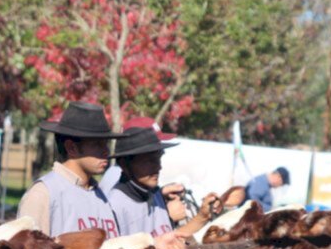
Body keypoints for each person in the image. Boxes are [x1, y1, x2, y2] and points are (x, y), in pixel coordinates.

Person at [17, 102, 127, 238]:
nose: (106, 151)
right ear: (71, 148)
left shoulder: (99, 196)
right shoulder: (44, 193)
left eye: (106, 143)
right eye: (97, 144)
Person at [106, 123, 220, 238]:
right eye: (149, 161)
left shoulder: (154, 194)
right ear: (124, 164)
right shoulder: (115, 206)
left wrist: (202, 216)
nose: (158, 167)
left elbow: (172, 240)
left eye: (158, 159)